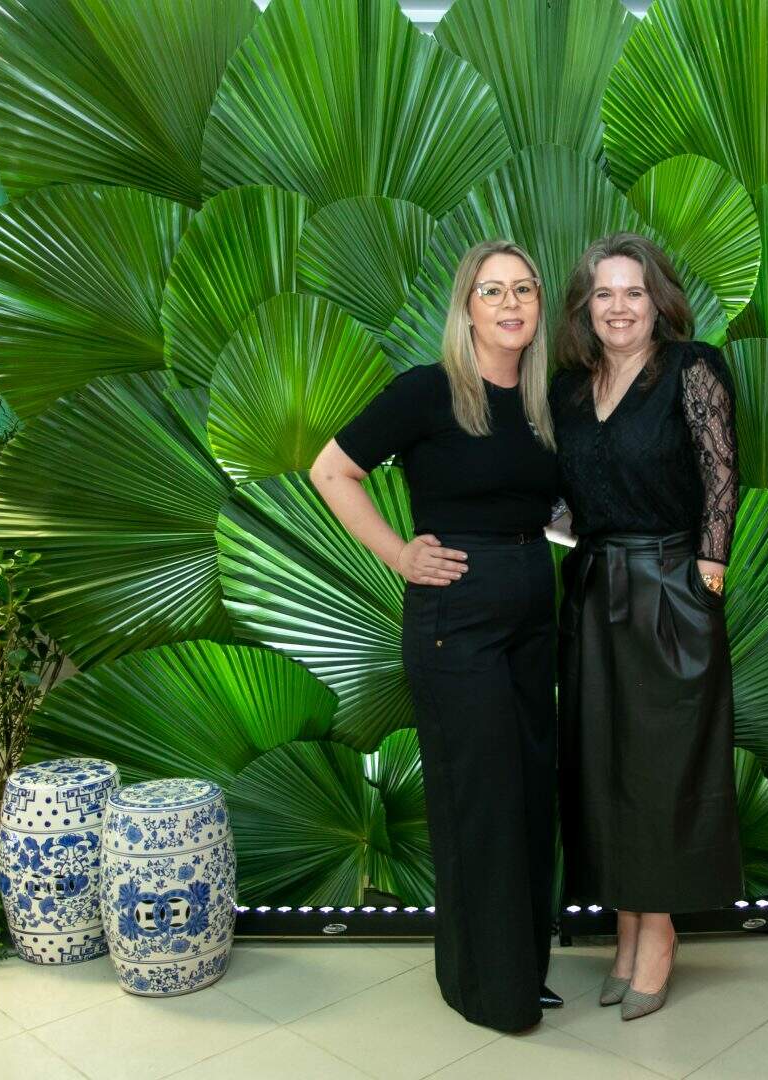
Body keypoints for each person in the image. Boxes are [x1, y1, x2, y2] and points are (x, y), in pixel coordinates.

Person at [310, 239, 563, 1033]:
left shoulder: (548, 398)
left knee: (530, 793)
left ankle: (520, 970)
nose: (511, 303)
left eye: (524, 289)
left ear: (540, 305)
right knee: (479, 798)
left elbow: (556, 504)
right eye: (493, 291)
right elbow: (331, 470)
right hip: (457, 617)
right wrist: (398, 554)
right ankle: (486, 989)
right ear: (467, 308)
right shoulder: (428, 391)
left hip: (534, 609)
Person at [549, 232, 742, 1021]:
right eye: (604, 293)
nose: (619, 307)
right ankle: (626, 926)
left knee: (662, 766)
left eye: (634, 292)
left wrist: (707, 575)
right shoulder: (568, 388)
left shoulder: (692, 368)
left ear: (658, 302)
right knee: (604, 766)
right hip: (593, 590)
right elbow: (560, 490)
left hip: (668, 585)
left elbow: (721, 473)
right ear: (585, 306)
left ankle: (658, 931)